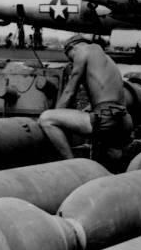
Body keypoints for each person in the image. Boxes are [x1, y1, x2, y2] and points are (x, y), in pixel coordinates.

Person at [39, 34, 133, 170]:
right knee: (110, 166)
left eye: (69, 57)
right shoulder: (106, 58)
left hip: (106, 120)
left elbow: (69, 92)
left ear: (72, 48)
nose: (71, 62)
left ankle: (73, 167)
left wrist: (58, 113)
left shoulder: (82, 51)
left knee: (46, 118)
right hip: (124, 121)